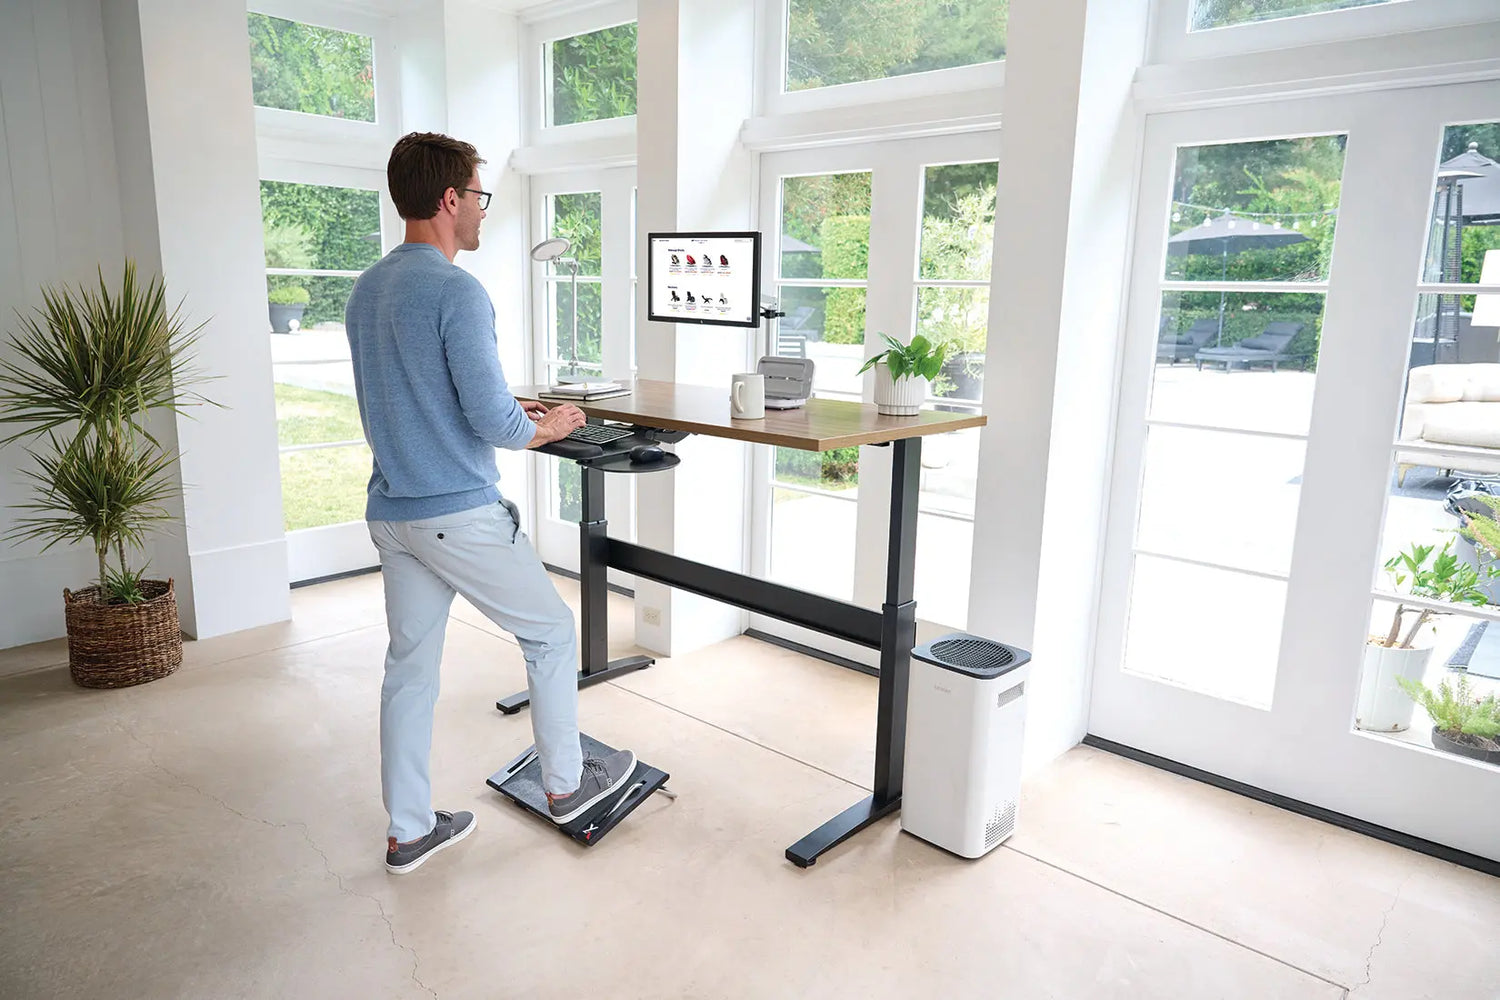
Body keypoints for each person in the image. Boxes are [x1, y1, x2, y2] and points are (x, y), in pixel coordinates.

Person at [345, 132, 636, 875]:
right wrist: (549, 424)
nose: (481, 212)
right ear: (450, 200)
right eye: (479, 196)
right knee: (549, 633)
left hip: (394, 511)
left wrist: (510, 404)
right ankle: (568, 788)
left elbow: (412, 393)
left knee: (408, 670)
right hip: (456, 513)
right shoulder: (454, 289)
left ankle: (409, 831)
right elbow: (494, 427)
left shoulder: (368, 287)